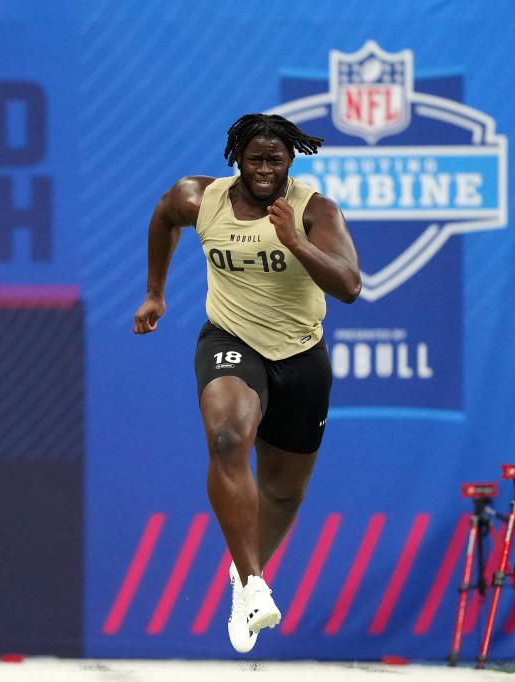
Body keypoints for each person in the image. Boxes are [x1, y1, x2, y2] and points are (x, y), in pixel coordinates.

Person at [133, 113, 361, 653]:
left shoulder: (313, 210)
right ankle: (256, 584)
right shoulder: (200, 198)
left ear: (290, 162)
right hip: (230, 338)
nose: (264, 171)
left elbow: (350, 285)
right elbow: (164, 218)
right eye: (255, 160)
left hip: (300, 355)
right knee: (227, 438)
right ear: (237, 158)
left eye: (275, 161)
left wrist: (294, 241)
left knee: (283, 490)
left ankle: (242, 581)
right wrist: (155, 292)